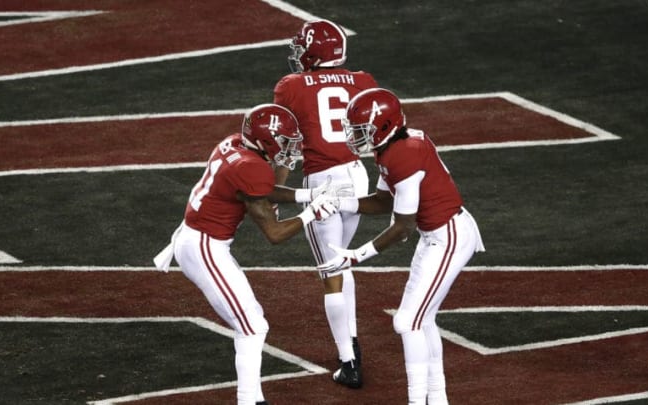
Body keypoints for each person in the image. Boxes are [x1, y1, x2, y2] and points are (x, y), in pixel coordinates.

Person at [153, 103, 344, 405]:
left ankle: (255, 400)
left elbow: (261, 190)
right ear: (267, 139)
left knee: (253, 321)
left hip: (198, 239)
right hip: (204, 248)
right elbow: (274, 234)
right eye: (284, 141)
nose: (289, 147)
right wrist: (311, 213)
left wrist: (307, 195)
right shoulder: (249, 167)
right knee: (253, 327)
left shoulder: (234, 143)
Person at [318, 88, 485, 404]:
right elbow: (383, 200)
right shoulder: (393, 146)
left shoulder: (403, 152)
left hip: (447, 235)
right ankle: (436, 399)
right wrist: (340, 202)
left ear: (382, 126)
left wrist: (358, 254)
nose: (354, 136)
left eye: (360, 129)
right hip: (436, 234)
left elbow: (403, 225)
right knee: (422, 320)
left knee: (407, 321)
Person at [272, 18, 379, 389]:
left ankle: (348, 362)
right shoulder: (364, 80)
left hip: (324, 181)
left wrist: (274, 192)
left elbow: (285, 147)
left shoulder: (291, 86)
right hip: (357, 176)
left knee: (330, 271)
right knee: (343, 259)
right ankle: (351, 343)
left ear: (313, 51)